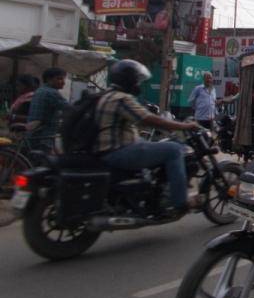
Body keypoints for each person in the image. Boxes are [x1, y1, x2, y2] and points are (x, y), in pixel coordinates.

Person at [96, 60, 201, 216]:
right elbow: (148, 119)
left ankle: (153, 190)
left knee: (161, 144)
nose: (138, 84)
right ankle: (180, 201)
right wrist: (184, 126)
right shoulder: (121, 99)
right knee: (175, 150)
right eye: (137, 80)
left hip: (112, 148)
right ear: (129, 80)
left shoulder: (107, 96)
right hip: (119, 151)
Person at [26, 67, 70, 153]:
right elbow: (70, 108)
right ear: (49, 79)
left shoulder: (40, 90)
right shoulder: (51, 93)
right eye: (59, 79)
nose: (63, 82)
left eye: (63, 79)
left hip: (34, 133)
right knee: (44, 162)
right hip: (43, 135)